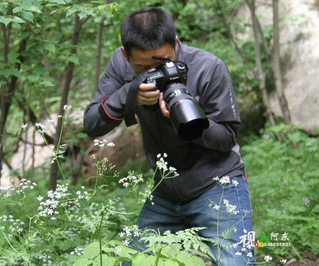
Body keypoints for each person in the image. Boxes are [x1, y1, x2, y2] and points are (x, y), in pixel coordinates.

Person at [83, 6, 255, 265]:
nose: (155, 73)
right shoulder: (120, 65)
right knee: (134, 260)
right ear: (125, 55)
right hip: (166, 190)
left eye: (163, 63)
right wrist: (130, 95)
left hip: (217, 183)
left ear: (175, 43)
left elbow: (227, 136)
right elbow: (92, 123)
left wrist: (187, 119)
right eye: (143, 67)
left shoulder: (208, 68)